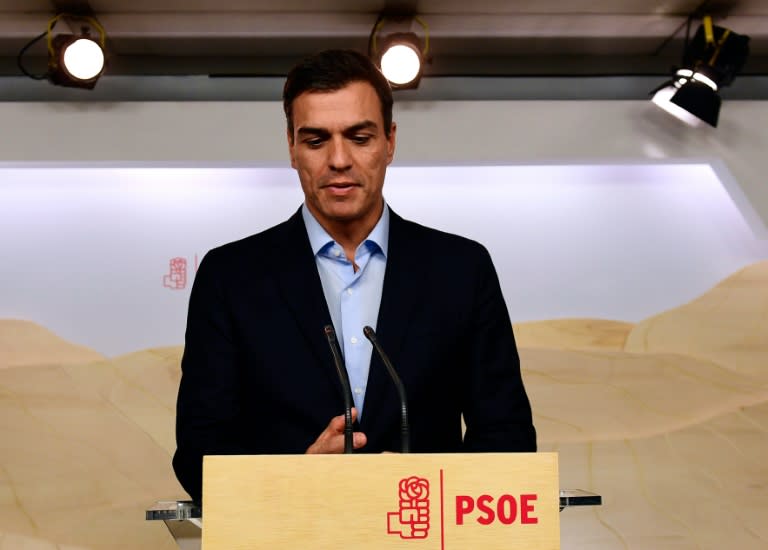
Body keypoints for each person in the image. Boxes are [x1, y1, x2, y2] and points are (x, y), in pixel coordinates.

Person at [172, 49, 536, 503]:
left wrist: (418, 491)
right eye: (316, 140)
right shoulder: (230, 277)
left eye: (359, 138)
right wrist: (297, 480)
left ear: (390, 141)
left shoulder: (461, 269)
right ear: (291, 146)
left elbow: (507, 438)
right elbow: (198, 452)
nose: (339, 159)